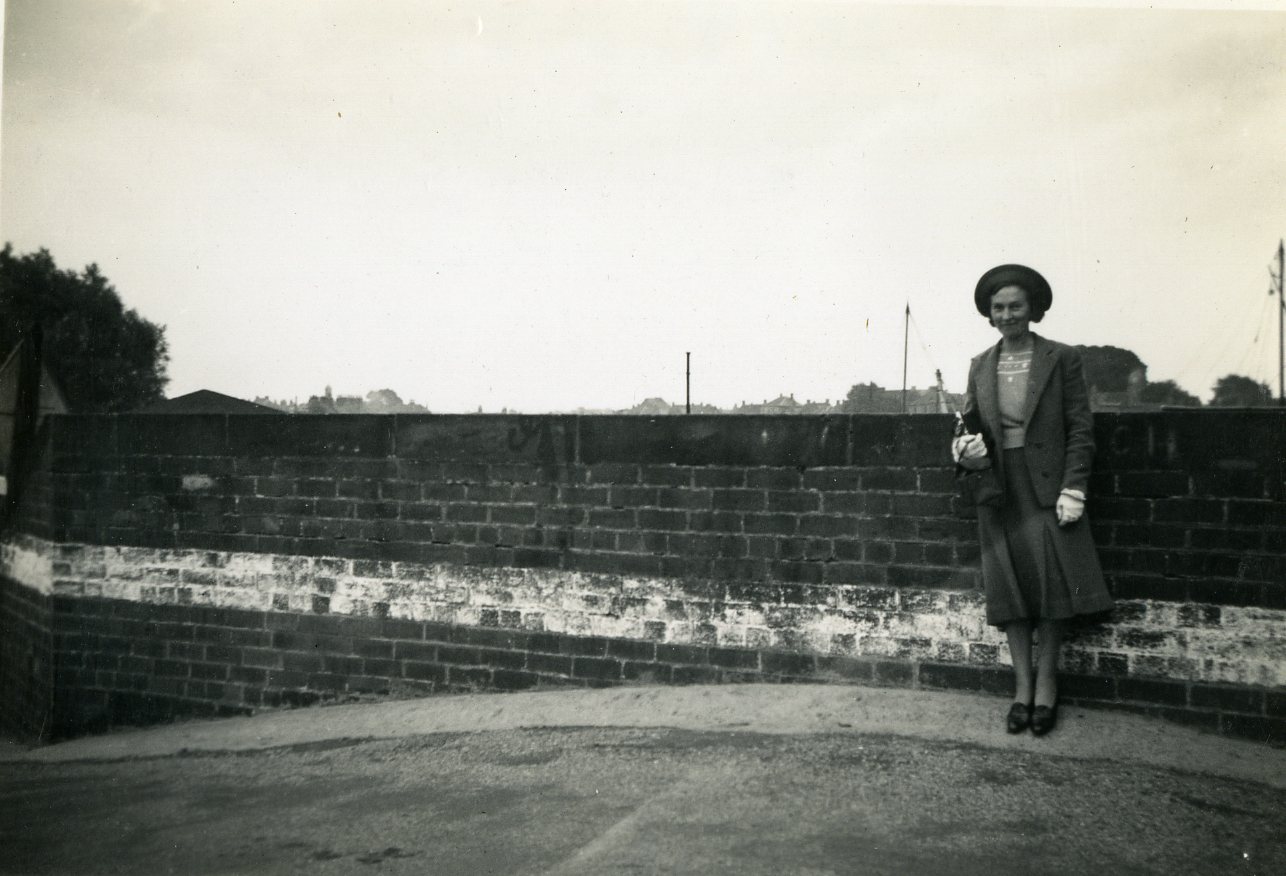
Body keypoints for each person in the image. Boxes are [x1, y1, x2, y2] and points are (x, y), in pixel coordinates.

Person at [954, 264, 1114, 736]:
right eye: (998, 308)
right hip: (998, 489)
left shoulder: (1062, 358)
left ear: (1033, 309)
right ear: (989, 313)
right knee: (1011, 589)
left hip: (1046, 487)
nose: (1006, 315)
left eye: (1015, 306)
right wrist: (963, 449)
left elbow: (1081, 428)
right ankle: (1020, 690)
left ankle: (1047, 688)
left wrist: (1074, 487)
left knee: (1050, 588)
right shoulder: (980, 363)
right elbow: (969, 423)